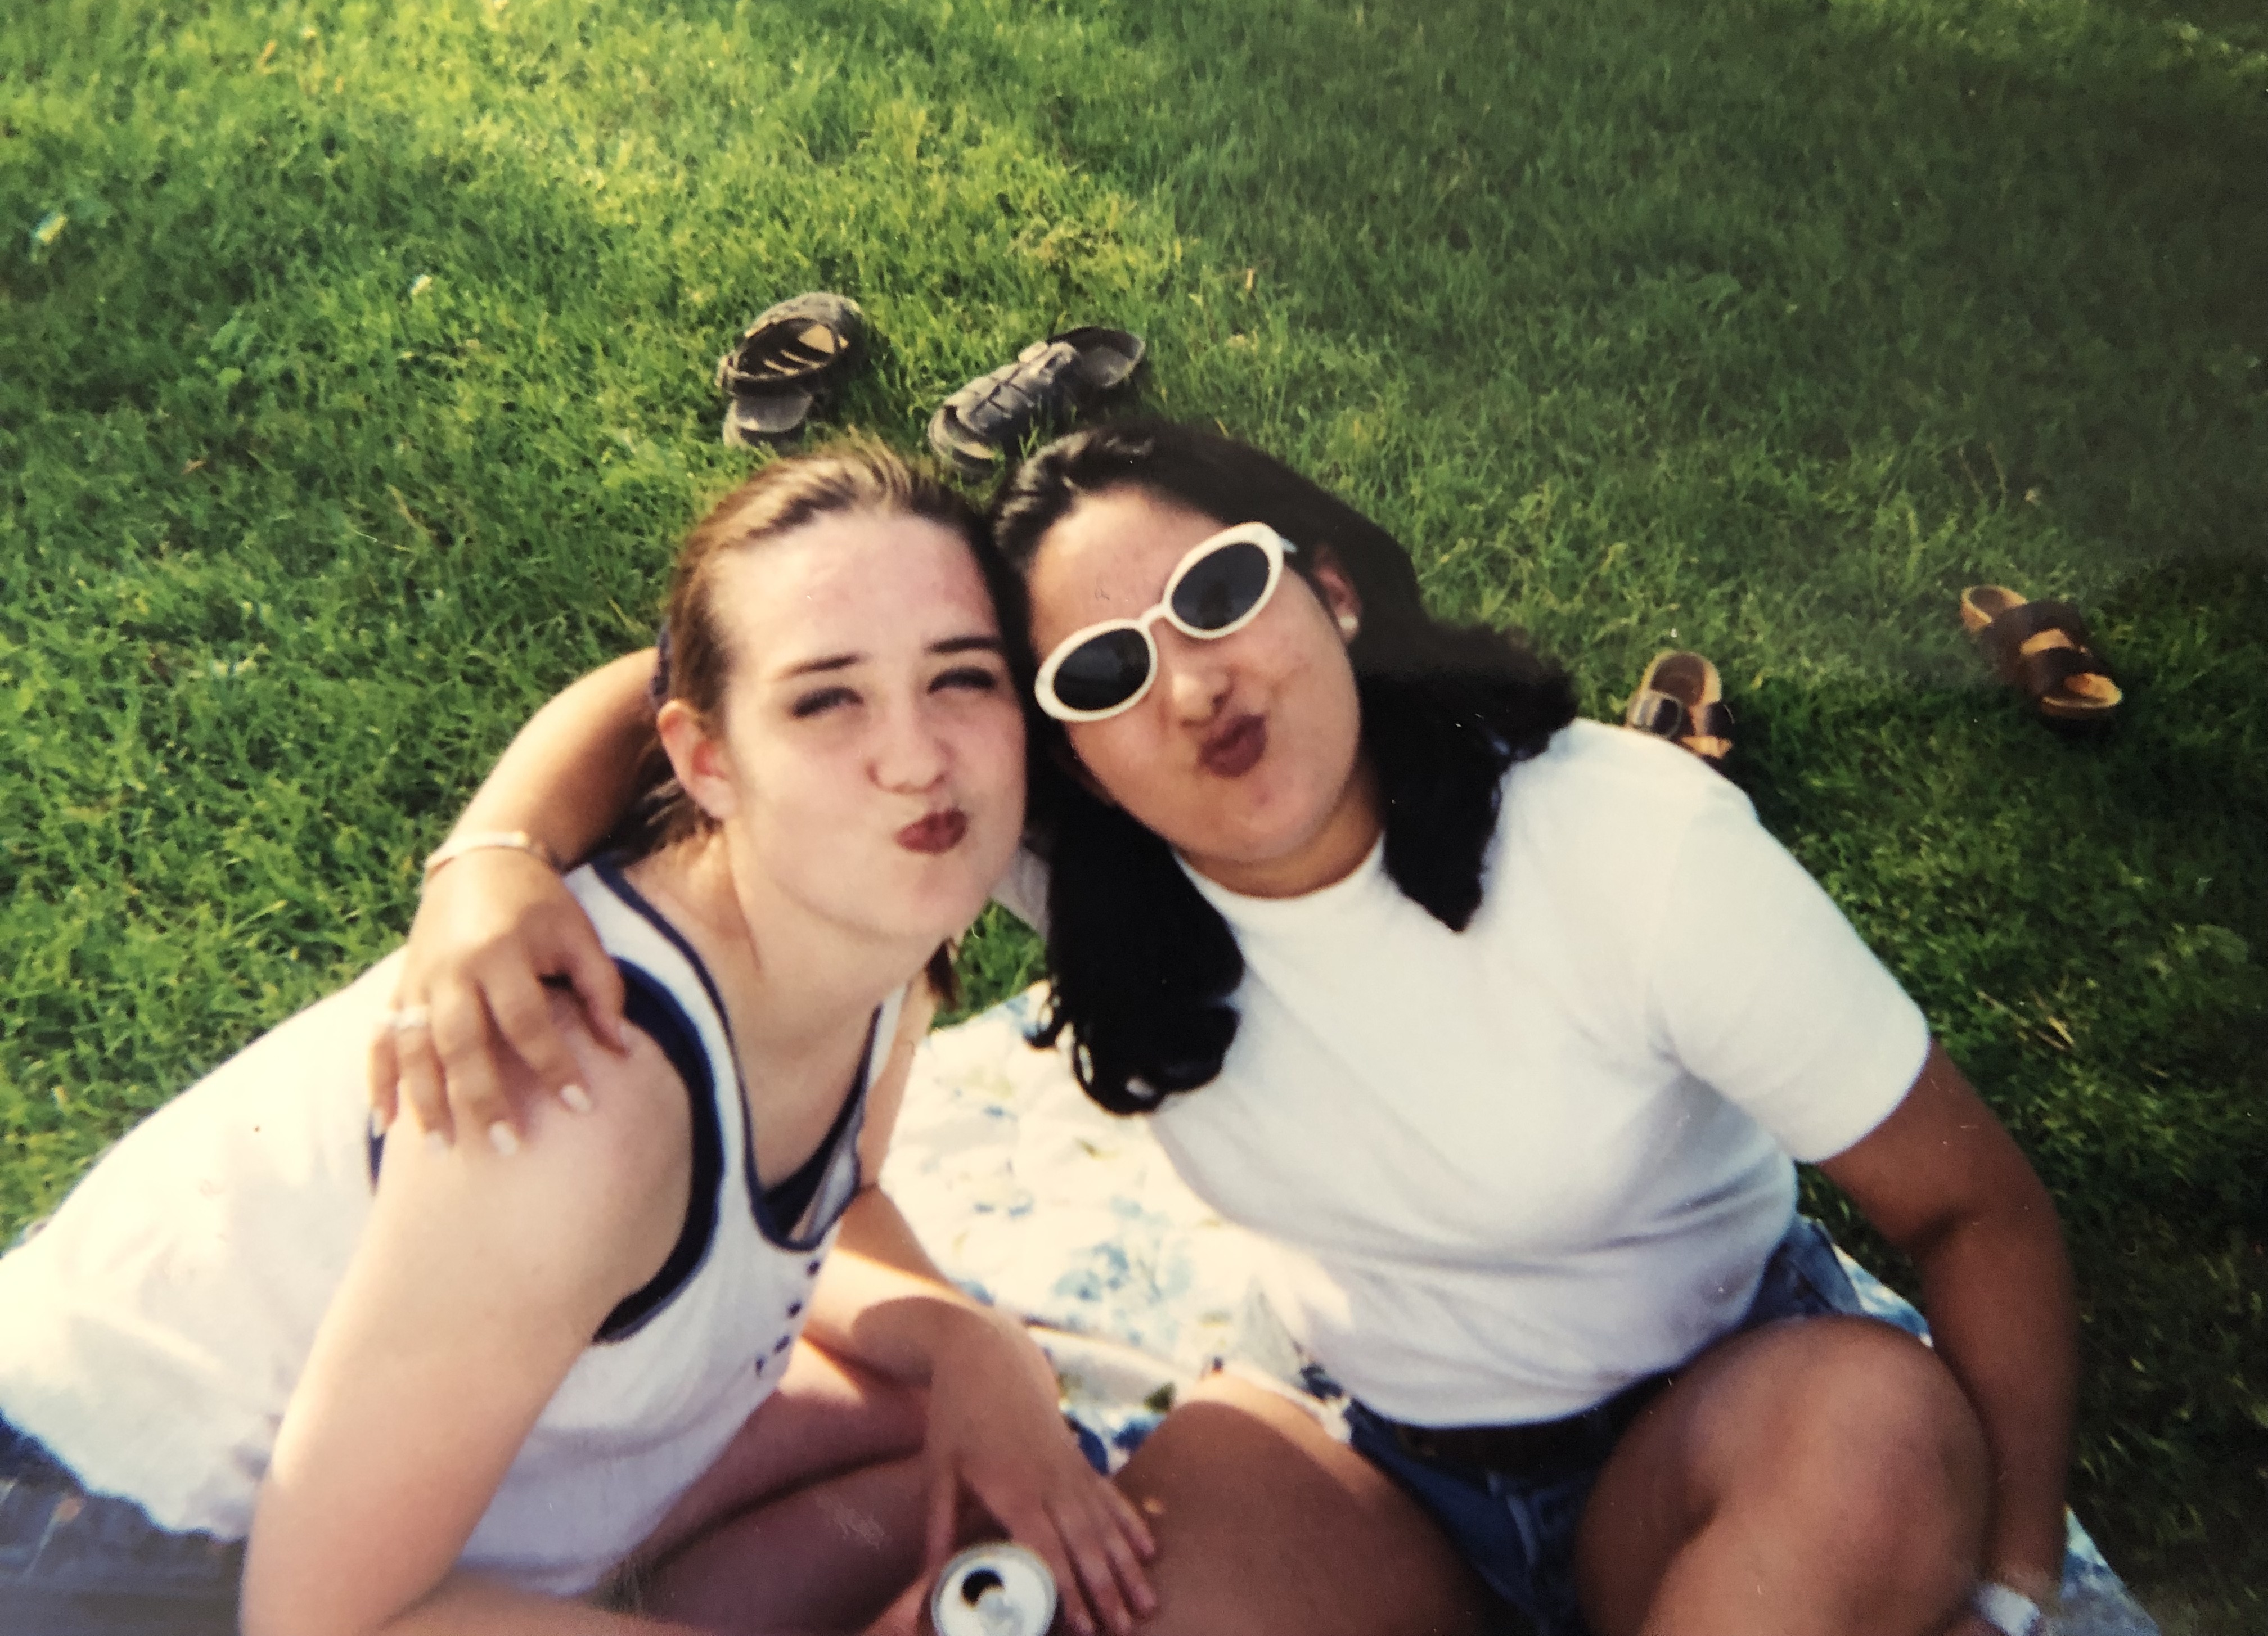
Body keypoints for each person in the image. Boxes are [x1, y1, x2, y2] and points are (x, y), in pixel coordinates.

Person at [379, 421, 2078, 1636]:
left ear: (1328, 584)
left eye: (1217, 595)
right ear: (1064, 747)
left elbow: (1970, 1209)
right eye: (1102, 674)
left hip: (1719, 1426)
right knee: (1036, 1612)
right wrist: (491, 863)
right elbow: (694, 681)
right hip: (1369, 1464)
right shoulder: (1095, 868)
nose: (1187, 687)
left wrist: (2007, 1586)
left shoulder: (1631, 849)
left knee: (1870, 1443)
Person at [0, 444, 1158, 1636]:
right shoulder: (586, 1101)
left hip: (414, 1509)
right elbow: (323, 1619)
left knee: (974, 1470)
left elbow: (828, 1209)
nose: (915, 759)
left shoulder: (873, 940)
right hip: (104, 1547)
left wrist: (968, 1346)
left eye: (961, 679)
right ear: (708, 759)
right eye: (826, 699)